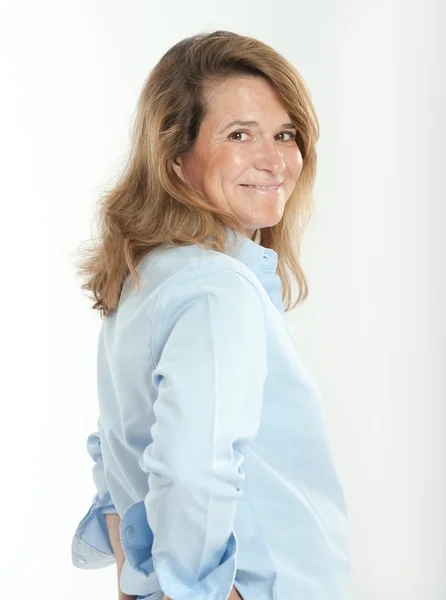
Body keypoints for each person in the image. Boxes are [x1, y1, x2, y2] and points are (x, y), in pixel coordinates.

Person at [71, 30, 351, 600]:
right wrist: (193, 590)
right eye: (239, 134)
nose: (274, 160)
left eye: (285, 134)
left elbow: (119, 453)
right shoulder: (215, 288)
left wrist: (140, 578)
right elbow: (190, 470)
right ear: (175, 159)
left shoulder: (146, 277)